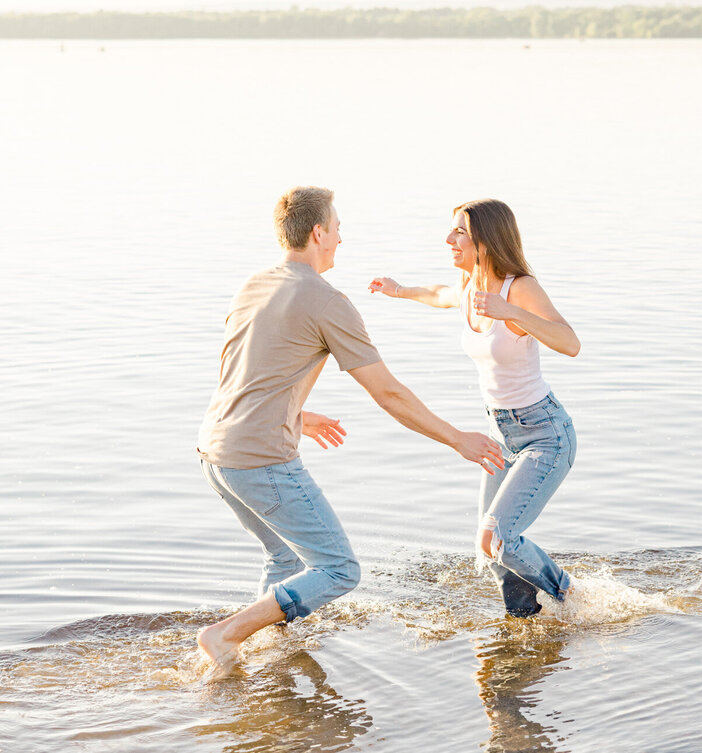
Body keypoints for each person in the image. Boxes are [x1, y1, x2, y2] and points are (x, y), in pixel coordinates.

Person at [196, 186, 504, 673]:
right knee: (339, 569)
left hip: (216, 453)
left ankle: (263, 661)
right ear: (318, 233)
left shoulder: (253, 284)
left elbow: (240, 373)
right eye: (337, 229)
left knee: (286, 561)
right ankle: (224, 635)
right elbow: (389, 394)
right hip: (261, 460)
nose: (341, 238)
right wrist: (457, 438)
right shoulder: (326, 300)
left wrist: (297, 414)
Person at [368, 199, 581, 617]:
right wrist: (398, 290)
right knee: (491, 553)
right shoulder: (469, 288)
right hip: (500, 435)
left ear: (486, 239)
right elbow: (437, 293)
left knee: (497, 536)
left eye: (459, 232)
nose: (449, 239)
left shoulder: (517, 288)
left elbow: (570, 342)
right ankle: (524, 624)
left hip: (545, 434)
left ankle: (573, 597)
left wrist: (512, 312)